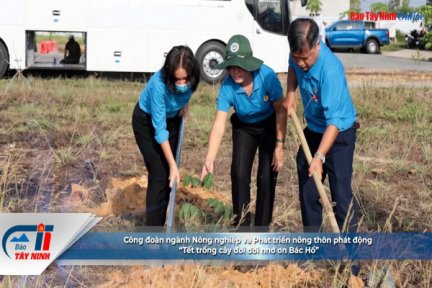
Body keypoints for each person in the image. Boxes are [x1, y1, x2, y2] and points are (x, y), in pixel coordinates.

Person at [285, 17, 361, 278]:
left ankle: (352, 266)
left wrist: (319, 156)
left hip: (338, 135)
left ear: (317, 44)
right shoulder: (297, 57)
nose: (301, 63)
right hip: (314, 130)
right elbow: (292, 69)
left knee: (341, 195)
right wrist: (291, 94)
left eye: (305, 58)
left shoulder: (331, 70)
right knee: (308, 193)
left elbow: (335, 123)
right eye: (297, 57)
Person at [200, 35, 286, 228]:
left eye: (240, 66)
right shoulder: (227, 87)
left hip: (269, 125)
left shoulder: (267, 77)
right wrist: (209, 158)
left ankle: (262, 228)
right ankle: (242, 225)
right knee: (238, 173)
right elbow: (219, 124)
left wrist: (280, 145)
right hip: (244, 127)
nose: (236, 71)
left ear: (249, 63)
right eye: (231, 66)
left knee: (266, 175)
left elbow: (281, 110)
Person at [132, 45, 200, 226]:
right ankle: (153, 234)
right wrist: (172, 165)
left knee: (170, 177)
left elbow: (186, 91)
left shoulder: (192, 78)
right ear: (169, 75)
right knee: (160, 175)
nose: (182, 83)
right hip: (147, 123)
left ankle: (162, 224)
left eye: (185, 79)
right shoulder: (158, 85)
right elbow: (160, 131)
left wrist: (184, 103)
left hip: (172, 118)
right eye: (177, 80)